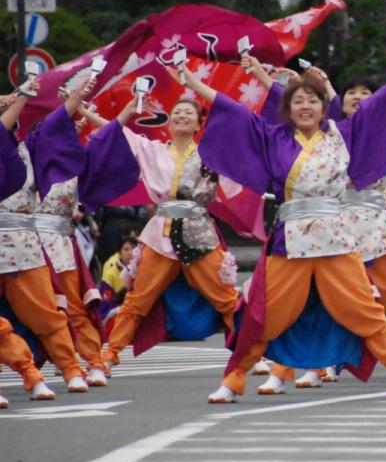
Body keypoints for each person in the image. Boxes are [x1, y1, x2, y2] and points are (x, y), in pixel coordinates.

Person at [187, 57, 386, 403]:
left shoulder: (343, 134)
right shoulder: (273, 137)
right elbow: (233, 111)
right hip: (290, 241)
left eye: (313, 101)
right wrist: (191, 82)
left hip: (339, 238)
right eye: (298, 101)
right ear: (287, 109)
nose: (305, 107)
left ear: (325, 108)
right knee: (268, 314)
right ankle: (233, 380)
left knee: (367, 310)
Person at [96, 91, 241, 369]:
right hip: (160, 232)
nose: (182, 115)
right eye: (177, 112)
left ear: (199, 124)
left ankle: (250, 352)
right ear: (169, 122)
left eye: (188, 112)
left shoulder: (209, 153)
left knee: (224, 296)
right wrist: (85, 109)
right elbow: (115, 131)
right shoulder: (155, 150)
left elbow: (237, 167)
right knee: (139, 298)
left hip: (197, 231)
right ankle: (109, 354)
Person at [33, 80, 140, 387]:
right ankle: (50, 363)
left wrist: (121, 116)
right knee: (33, 309)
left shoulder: (76, 161)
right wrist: (76, 98)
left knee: (75, 306)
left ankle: (91, 361)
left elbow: (104, 142)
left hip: (61, 242)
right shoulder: (27, 153)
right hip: (24, 244)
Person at [1, 77, 94, 394]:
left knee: (46, 313)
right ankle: (30, 373)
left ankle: (71, 370)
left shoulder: (29, 148)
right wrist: (23, 96)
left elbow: (56, 124)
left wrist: (79, 93)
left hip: (23, 240)